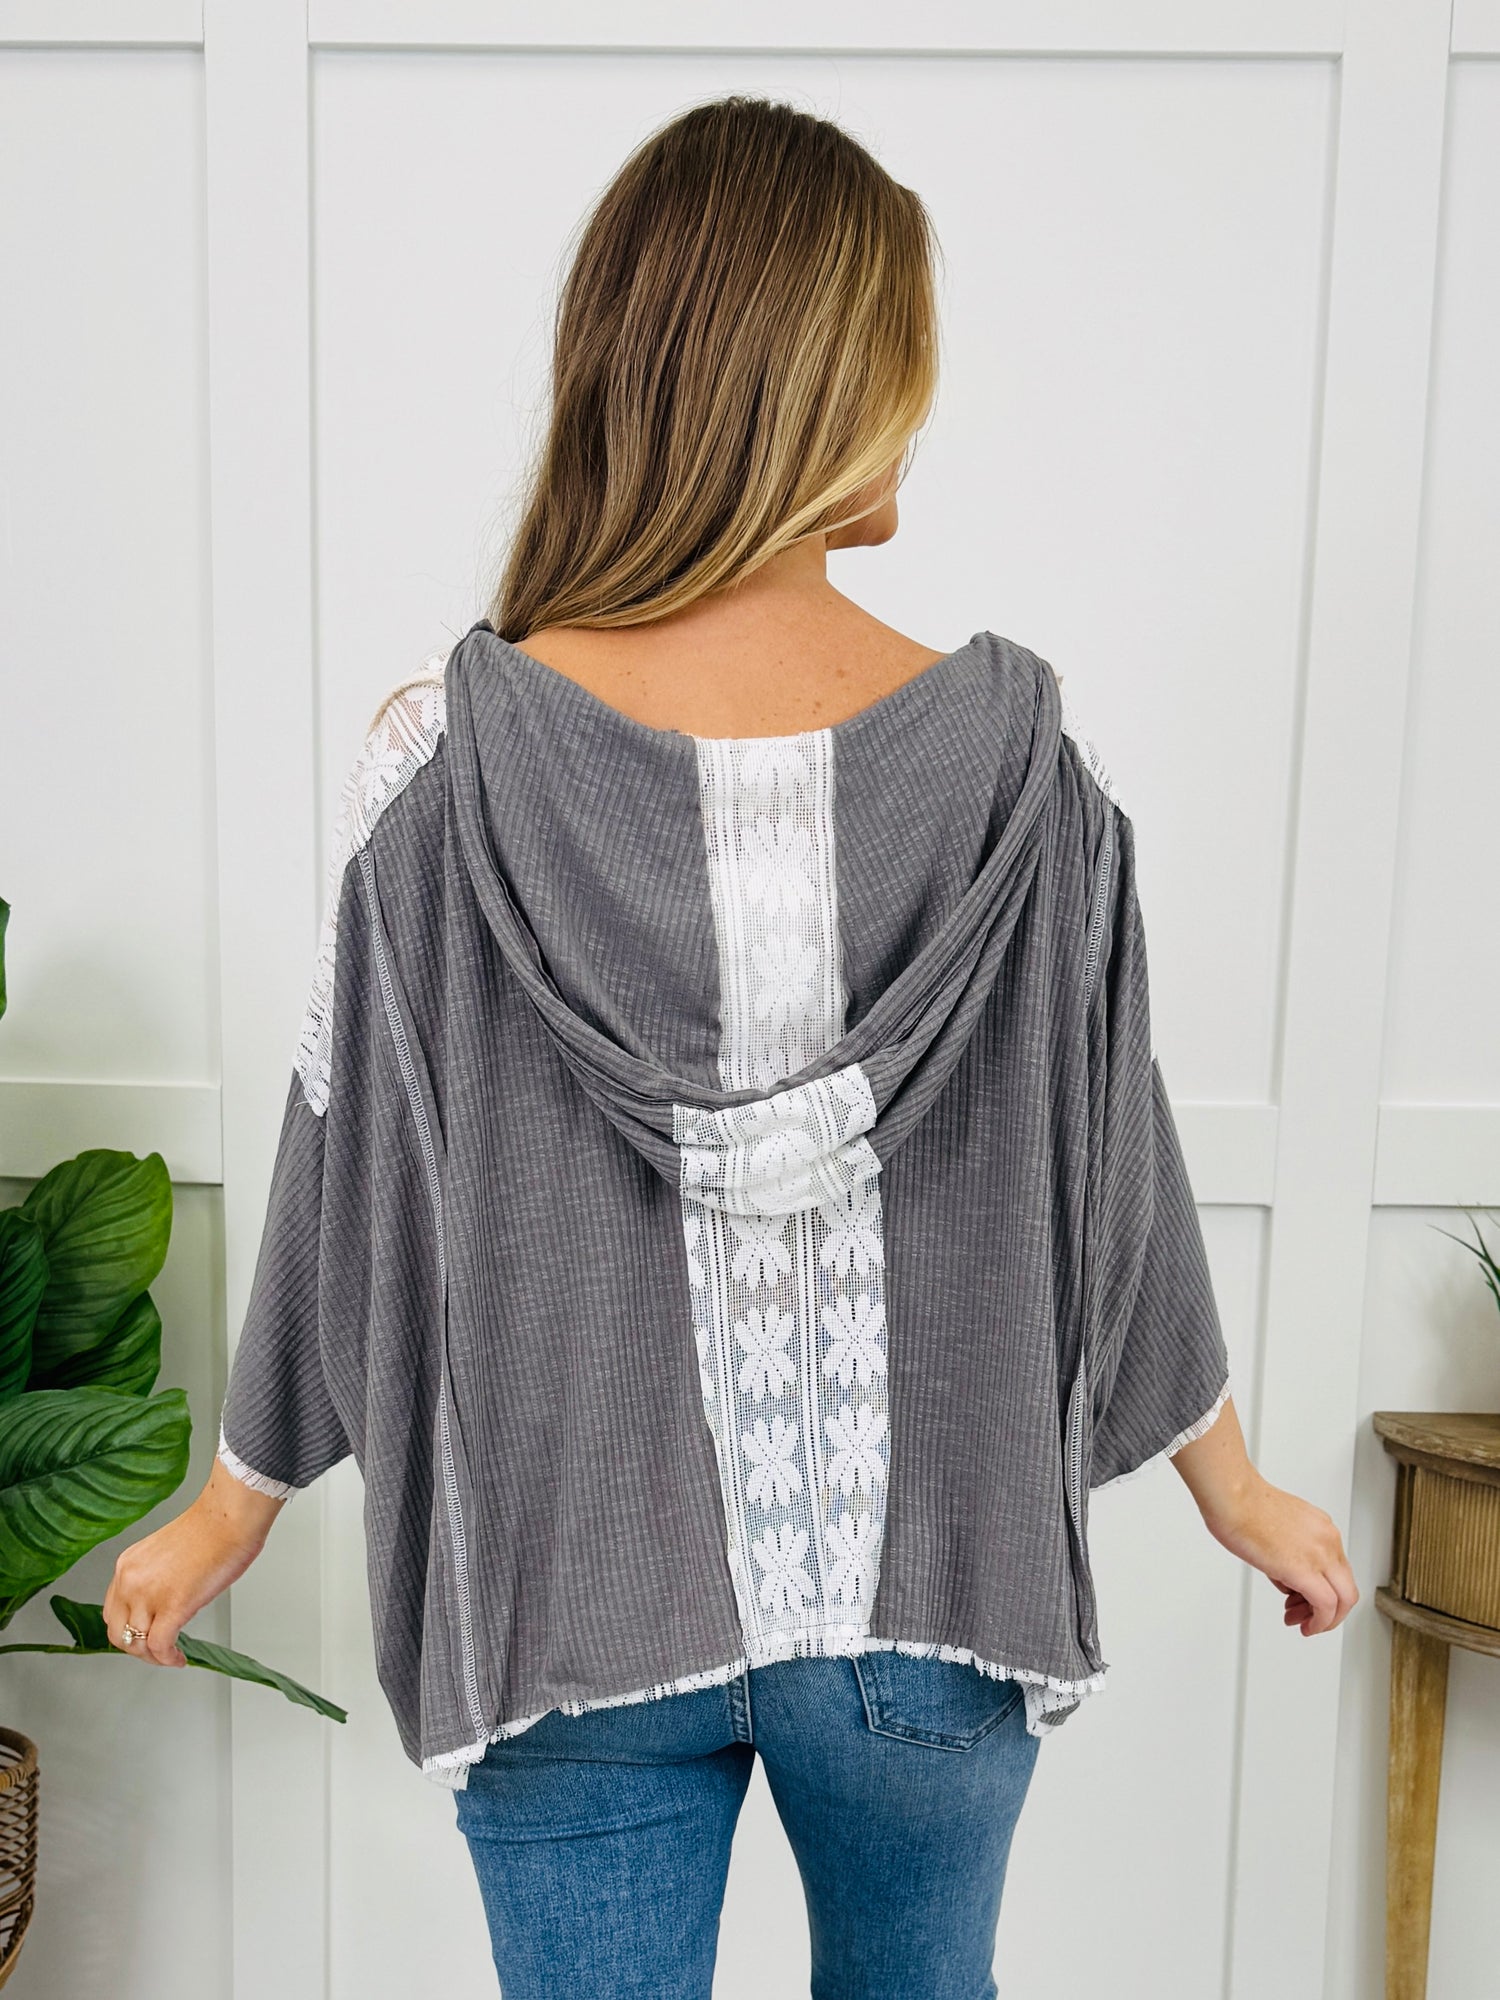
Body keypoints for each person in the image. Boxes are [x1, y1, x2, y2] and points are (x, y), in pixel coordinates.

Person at [104, 93, 1357, 1999]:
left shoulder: (447, 770)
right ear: (828, 385)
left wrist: (231, 1505)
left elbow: (344, 1162)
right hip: (932, 1587)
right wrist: (1231, 1485)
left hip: (572, 1587)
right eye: (900, 362)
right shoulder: (1027, 773)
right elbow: (1117, 1151)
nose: (921, 412)